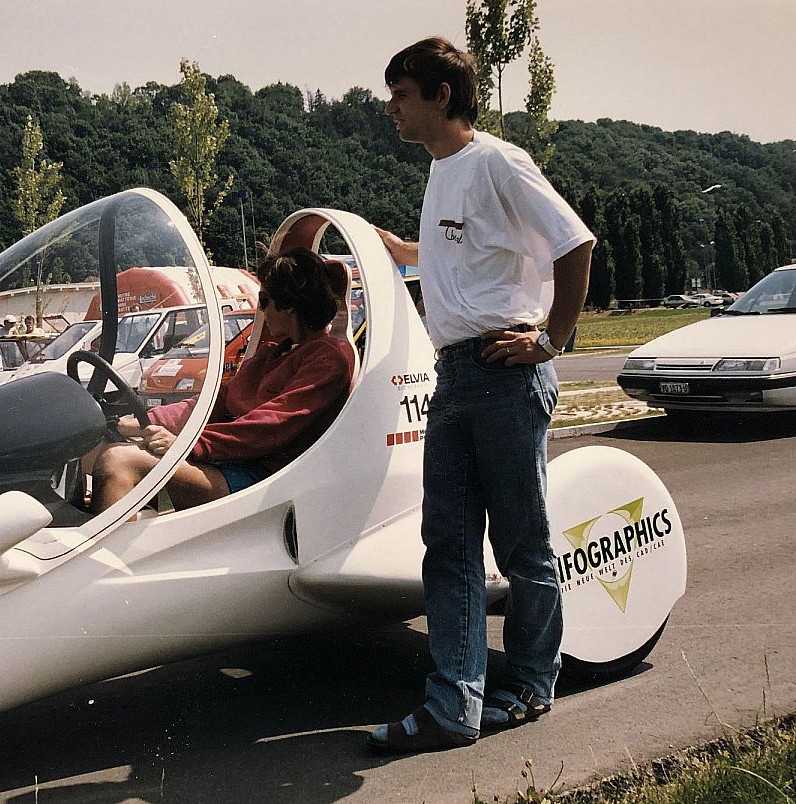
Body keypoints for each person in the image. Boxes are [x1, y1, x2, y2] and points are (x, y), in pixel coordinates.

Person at [367, 37, 594, 754]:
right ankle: (455, 706)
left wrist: (552, 342)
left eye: (401, 93)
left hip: (503, 371)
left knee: (521, 544)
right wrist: (399, 249)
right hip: (456, 375)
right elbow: (457, 258)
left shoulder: (497, 161)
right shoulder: (441, 174)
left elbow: (575, 243)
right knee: (449, 545)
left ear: (441, 95)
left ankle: (528, 687)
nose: (391, 108)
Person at [91, 249, 354, 513]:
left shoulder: (328, 359)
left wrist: (187, 444)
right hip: (233, 462)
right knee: (95, 449)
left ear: (289, 303)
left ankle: (106, 554)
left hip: (267, 478)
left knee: (118, 461)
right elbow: (215, 402)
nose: (260, 310)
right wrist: (144, 421)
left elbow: (270, 425)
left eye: (264, 301)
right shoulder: (275, 352)